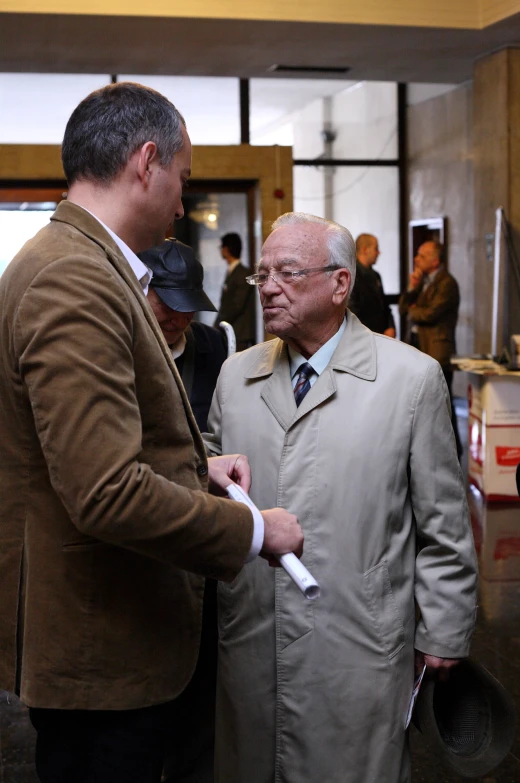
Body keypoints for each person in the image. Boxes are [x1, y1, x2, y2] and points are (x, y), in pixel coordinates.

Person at [0, 82, 303, 783]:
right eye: (183, 180)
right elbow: (104, 490)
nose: (180, 203)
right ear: (146, 162)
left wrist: (198, 471)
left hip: (101, 642)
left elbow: (90, 447)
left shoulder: (85, 265)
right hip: (101, 647)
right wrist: (258, 533)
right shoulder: (73, 279)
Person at [205, 212, 478, 783]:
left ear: (339, 283)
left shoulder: (411, 380)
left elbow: (443, 522)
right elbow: (201, 486)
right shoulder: (235, 377)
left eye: (287, 272)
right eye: (263, 275)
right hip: (254, 631)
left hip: (358, 639)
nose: (270, 287)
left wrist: (445, 628)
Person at [139, 237, 228, 783]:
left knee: (202, 698)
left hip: (203, 539)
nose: (176, 316)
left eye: (186, 303)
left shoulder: (214, 348)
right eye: (165, 302)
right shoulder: (118, 341)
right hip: (145, 537)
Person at [140, 237, 227, 432]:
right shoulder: (114, 344)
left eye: (188, 306)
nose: (179, 321)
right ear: (139, 291)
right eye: (168, 305)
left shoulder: (213, 345)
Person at [399, 240, 462, 457]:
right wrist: (412, 289)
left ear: (435, 261)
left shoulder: (447, 283)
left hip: (437, 349)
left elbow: (430, 314)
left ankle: (454, 451)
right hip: (418, 346)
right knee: (421, 401)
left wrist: (413, 310)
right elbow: (403, 306)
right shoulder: (423, 282)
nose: (416, 260)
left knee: (443, 401)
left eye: (422, 256)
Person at [214, 232, 255, 350]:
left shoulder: (243, 274)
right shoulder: (234, 272)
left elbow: (235, 306)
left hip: (239, 333)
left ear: (226, 249)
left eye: (221, 247)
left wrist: (217, 324)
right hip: (231, 332)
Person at [350, 232, 396, 336]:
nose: (379, 252)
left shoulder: (376, 275)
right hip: (363, 335)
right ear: (365, 250)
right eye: (376, 248)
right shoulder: (353, 275)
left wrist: (390, 326)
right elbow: (352, 310)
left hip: (380, 334)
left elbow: (384, 305)